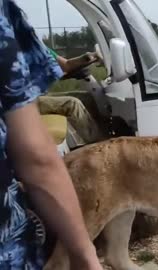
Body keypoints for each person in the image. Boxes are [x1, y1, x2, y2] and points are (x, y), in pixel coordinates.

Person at [0, 1, 102, 269]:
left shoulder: (34, 41)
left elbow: (64, 64)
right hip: (27, 102)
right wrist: (83, 253)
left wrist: (89, 58)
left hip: (31, 96)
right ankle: (98, 148)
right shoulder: (9, 26)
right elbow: (64, 67)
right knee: (74, 103)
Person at [38, 48, 106, 144]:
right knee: (72, 104)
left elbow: (66, 64)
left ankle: (101, 133)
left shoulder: (38, 46)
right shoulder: (16, 51)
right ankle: (98, 145)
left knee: (87, 98)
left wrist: (87, 57)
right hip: (24, 102)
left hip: (40, 95)